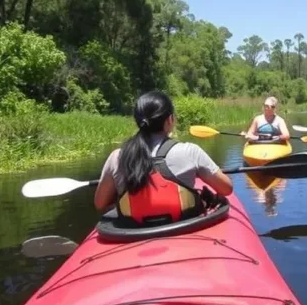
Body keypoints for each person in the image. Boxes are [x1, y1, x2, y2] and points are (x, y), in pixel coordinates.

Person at [93, 91, 234, 225]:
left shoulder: (117, 157)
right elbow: (226, 189)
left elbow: (100, 203)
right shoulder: (190, 152)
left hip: (134, 231)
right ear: (170, 120)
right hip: (184, 226)